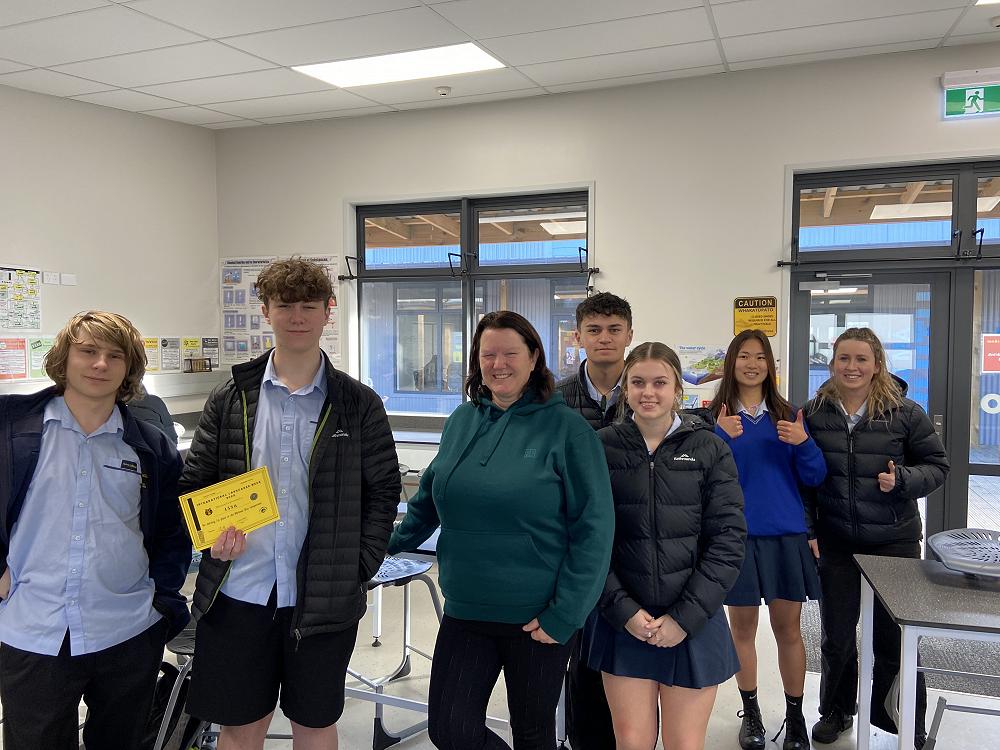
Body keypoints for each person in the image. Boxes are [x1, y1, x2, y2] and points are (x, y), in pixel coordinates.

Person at [180, 257, 400, 750]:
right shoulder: (231, 397)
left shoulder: (358, 404)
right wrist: (211, 539)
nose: (297, 317)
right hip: (239, 593)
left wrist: (358, 565)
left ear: (328, 311)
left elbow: (384, 490)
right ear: (266, 311)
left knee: (315, 725)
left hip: (322, 600)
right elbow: (195, 483)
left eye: (309, 306)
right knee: (240, 728)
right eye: (285, 305)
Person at [389, 310, 614, 750]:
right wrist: (383, 545)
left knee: (532, 732)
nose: (498, 364)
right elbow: (429, 498)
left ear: (534, 357)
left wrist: (565, 614)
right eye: (487, 354)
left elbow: (595, 529)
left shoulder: (568, 430)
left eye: (510, 353)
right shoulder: (462, 421)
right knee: (450, 729)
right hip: (466, 607)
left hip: (537, 615)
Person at [0, 311, 190, 750]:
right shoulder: (11, 427)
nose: (100, 364)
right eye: (88, 351)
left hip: (127, 629)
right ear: (64, 358)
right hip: (33, 628)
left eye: (114, 356)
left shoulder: (150, 447)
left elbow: (172, 532)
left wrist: (161, 599)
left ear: (129, 369)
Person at [583, 341, 746, 750]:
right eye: (638, 382)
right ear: (625, 389)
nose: (648, 392)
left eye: (660, 382)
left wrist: (683, 619)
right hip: (624, 620)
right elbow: (588, 539)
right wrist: (624, 611)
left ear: (677, 389)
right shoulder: (600, 447)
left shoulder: (710, 448)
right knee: (631, 741)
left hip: (693, 621)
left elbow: (727, 541)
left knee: (684, 743)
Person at [804, 327, 949, 749]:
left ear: (877, 364)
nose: (851, 367)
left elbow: (937, 466)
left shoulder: (905, 412)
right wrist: (810, 529)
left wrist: (902, 480)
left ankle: (903, 719)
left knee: (895, 636)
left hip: (893, 541)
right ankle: (836, 710)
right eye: (843, 358)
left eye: (861, 359)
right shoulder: (815, 413)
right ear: (832, 363)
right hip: (836, 540)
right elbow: (806, 479)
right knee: (836, 635)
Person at [708, 330, 827, 750]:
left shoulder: (789, 415)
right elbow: (699, 476)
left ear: (770, 365)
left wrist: (804, 442)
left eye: (760, 357)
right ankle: (752, 714)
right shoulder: (715, 417)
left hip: (784, 536)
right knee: (742, 629)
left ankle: (796, 718)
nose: (752, 364)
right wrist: (719, 436)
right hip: (734, 538)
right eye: (744, 356)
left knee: (788, 629)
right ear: (732, 362)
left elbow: (814, 476)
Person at [556, 291, 634, 750]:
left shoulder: (646, 388)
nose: (604, 338)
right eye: (594, 330)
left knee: (629, 646)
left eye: (614, 329)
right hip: (575, 540)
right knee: (581, 650)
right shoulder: (556, 398)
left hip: (634, 536)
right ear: (579, 336)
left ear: (629, 335)